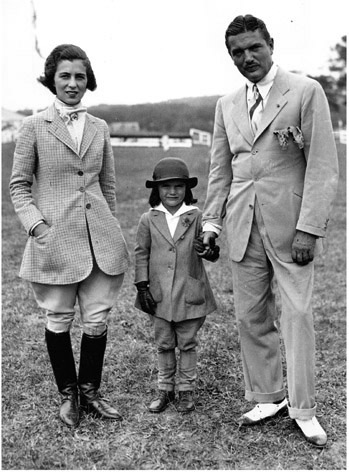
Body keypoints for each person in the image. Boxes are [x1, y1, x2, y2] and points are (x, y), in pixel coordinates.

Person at [202, 15, 338, 446]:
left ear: (270, 44)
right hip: (243, 226)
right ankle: (267, 395)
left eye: (253, 47)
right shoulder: (226, 104)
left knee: (296, 316)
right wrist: (211, 222)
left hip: (291, 228)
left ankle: (303, 409)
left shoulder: (305, 91)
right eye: (237, 52)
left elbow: (321, 165)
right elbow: (220, 170)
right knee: (250, 317)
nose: (247, 58)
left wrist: (309, 228)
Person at [9, 44, 129, 427]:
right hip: (54, 241)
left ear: (87, 80)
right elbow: (18, 187)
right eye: (65, 76)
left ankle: (90, 390)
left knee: (96, 319)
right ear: (52, 79)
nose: (73, 83)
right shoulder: (33, 127)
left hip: (99, 241)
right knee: (58, 317)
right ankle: (68, 394)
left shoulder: (100, 127)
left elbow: (107, 186)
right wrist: (38, 227)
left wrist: (109, 227)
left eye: (80, 76)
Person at [134, 157, 218, 413]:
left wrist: (209, 250)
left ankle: (186, 391)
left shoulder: (196, 217)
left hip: (189, 293)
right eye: (166, 187)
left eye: (179, 187)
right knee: (163, 343)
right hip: (158, 295)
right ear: (156, 190)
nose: (172, 192)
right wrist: (142, 286)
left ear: (187, 189)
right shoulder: (148, 219)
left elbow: (212, 250)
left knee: (188, 342)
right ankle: (165, 389)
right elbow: (141, 253)